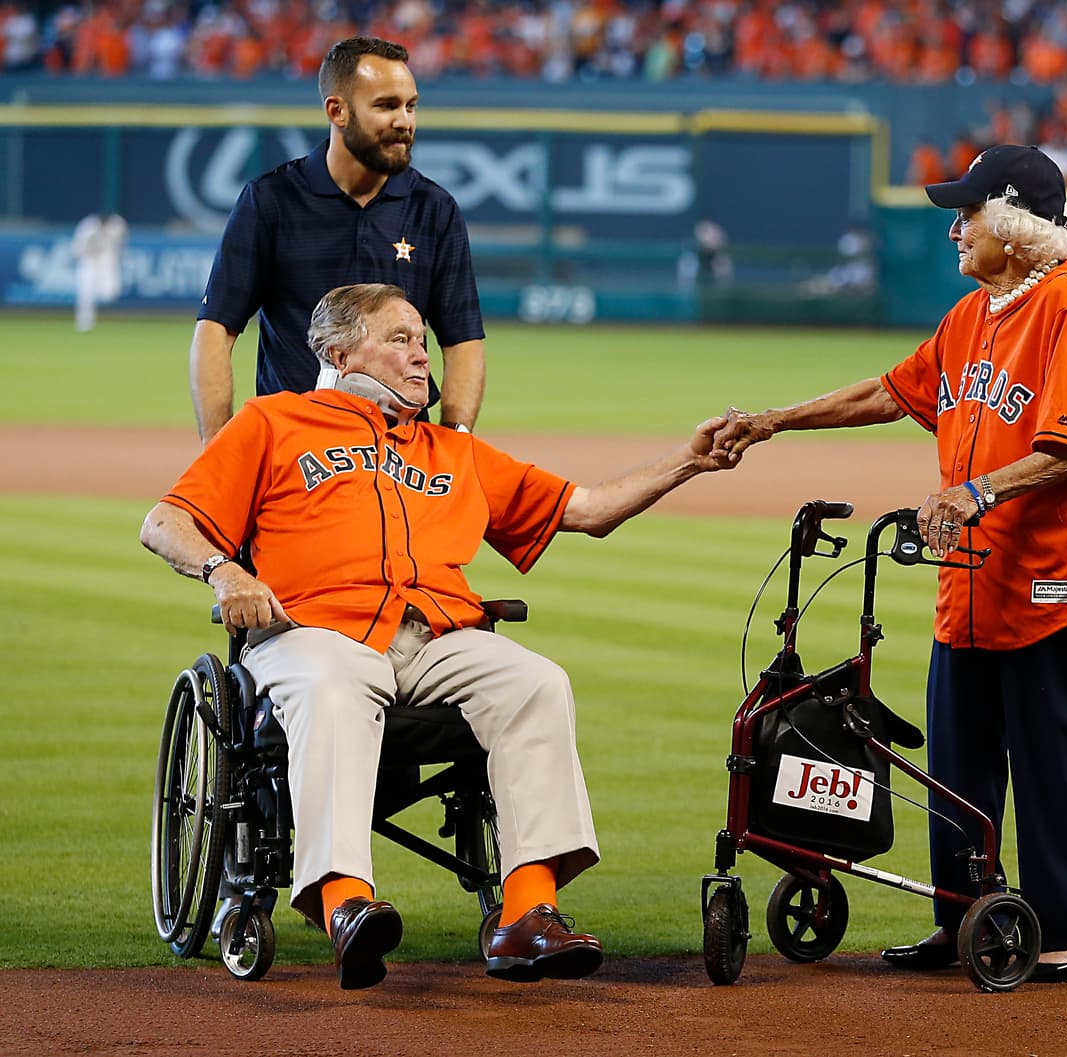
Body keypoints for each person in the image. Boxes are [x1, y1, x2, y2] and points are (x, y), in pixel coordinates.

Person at [142, 282, 742, 990]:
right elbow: (164, 522)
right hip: (312, 629)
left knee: (536, 682)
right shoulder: (273, 423)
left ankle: (526, 913)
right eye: (399, 339)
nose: (421, 356)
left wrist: (688, 460)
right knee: (335, 685)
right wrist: (224, 573)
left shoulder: (450, 451)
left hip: (432, 636)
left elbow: (587, 509)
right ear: (339, 349)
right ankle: (345, 905)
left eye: (423, 341)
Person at [713, 145, 1067, 984]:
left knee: (1053, 760)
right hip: (972, 584)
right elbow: (891, 391)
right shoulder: (972, 315)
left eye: (968, 213)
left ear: (1016, 227)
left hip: (1048, 580)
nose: (955, 227)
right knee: (958, 763)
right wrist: (773, 420)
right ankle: (965, 920)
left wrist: (976, 490)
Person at [190, 36, 485, 444]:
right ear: (338, 111)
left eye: (411, 105)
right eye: (386, 106)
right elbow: (215, 331)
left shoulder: (434, 209)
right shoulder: (271, 201)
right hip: (292, 448)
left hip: (402, 452)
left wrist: (456, 439)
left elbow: (462, 341)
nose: (405, 120)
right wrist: (217, 450)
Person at [69, 212, 127, 331]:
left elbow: (121, 244)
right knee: (85, 294)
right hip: (89, 261)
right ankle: (84, 323)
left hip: (107, 261)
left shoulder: (118, 224)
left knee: (110, 293)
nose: (104, 226)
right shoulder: (87, 228)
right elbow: (76, 250)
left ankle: (98, 296)